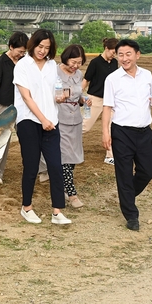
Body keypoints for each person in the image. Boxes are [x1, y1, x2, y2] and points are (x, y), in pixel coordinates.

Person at [102, 39, 152, 231]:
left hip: (144, 132)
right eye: (120, 54)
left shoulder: (147, 75)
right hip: (121, 132)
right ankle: (131, 215)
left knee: (147, 171)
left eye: (128, 54)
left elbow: (150, 100)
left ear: (137, 55)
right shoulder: (112, 79)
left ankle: (126, 197)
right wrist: (105, 133)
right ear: (117, 56)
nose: (124, 58)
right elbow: (107, 107)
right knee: (124, 174)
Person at [14, 29, 71, 225]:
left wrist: (60, 97)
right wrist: (43, 119)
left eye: (47, 48)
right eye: (40, 47)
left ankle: (57, 211)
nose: (43, 51)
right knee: (31, 166)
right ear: (33, 45)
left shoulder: (51, 65)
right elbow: (26, 97)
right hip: (29, 121)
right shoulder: (22, 65)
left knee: (55, 165)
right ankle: (26, 207)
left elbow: (53, 91)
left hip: (51, 121)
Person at [0, 31, 29, 185]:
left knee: (28, 137)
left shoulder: (24, 62)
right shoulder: (1, 62)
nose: (21, 54)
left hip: (22, 105)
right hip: (4, 106)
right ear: (11, 47)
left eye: (24, 52)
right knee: (1, 139)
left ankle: (36, 169)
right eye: (19, 51)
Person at [57, 44, 90, 208]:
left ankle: (62, 185)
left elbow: (78, 95)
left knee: (74, 156)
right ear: (66, 57)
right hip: (60, 117)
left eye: (79, 63)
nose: (75, 66)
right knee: (65, 156)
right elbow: (52, 94)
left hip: (75, 118)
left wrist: (84, 100)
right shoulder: (54, 72)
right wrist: (63, 96)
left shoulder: (79, 74)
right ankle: (72, 193)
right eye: (73, 62)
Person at [81, 38, 119, 165]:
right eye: (113, 52)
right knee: (85, 126)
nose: (114, 55)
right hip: (95, 99)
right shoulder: (95, 63)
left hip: (110, 101)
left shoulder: (114, 63)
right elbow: (86, 80)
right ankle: (66, 147)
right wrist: (80, 95)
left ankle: (110, 156)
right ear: (106, 48)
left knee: (111, 128)